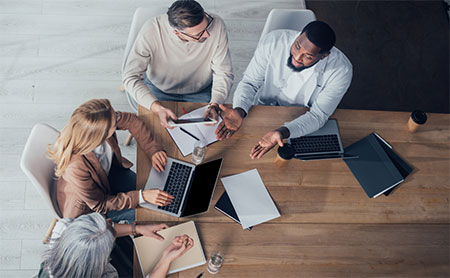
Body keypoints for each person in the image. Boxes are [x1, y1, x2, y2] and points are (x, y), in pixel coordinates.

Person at [215, 21, 353, 159]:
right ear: (299, 35)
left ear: (324, 56)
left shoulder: (341, 71)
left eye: (308, 56)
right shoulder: (273, 41)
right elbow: (250, 83)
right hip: (262, 109)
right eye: (297, 46)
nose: (297, 57)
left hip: (299, 119)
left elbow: (317, 116)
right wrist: (240, 109)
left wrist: (282, 132)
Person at [48, 99, 174, 223]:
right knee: (153, 213)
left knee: (161, 190)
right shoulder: (75, 167)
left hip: (109, 176)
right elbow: (100, 205)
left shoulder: (103, 121)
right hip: (93, 209)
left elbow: (131, 120)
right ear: (99, 135)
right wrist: (142, 196)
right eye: (114, 125)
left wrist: (153, 149)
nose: (117, 121)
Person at [122, 0, 233, 128]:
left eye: (207, 26)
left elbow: (223, 73)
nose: (208, 34)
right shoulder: (151, 30)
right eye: (199, 34)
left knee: (206, 135)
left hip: (200, 90)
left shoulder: (217, 25)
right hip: (159, 89)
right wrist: (156, 107)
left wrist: (215, 104)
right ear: (177, 32)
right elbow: (130, 77)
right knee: (157, 134)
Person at [38, 213, 194, 278]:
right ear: (102, 261)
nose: (110, 221)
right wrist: (166, 259)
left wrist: (137, 229)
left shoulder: (63, 227)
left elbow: (102, 230)